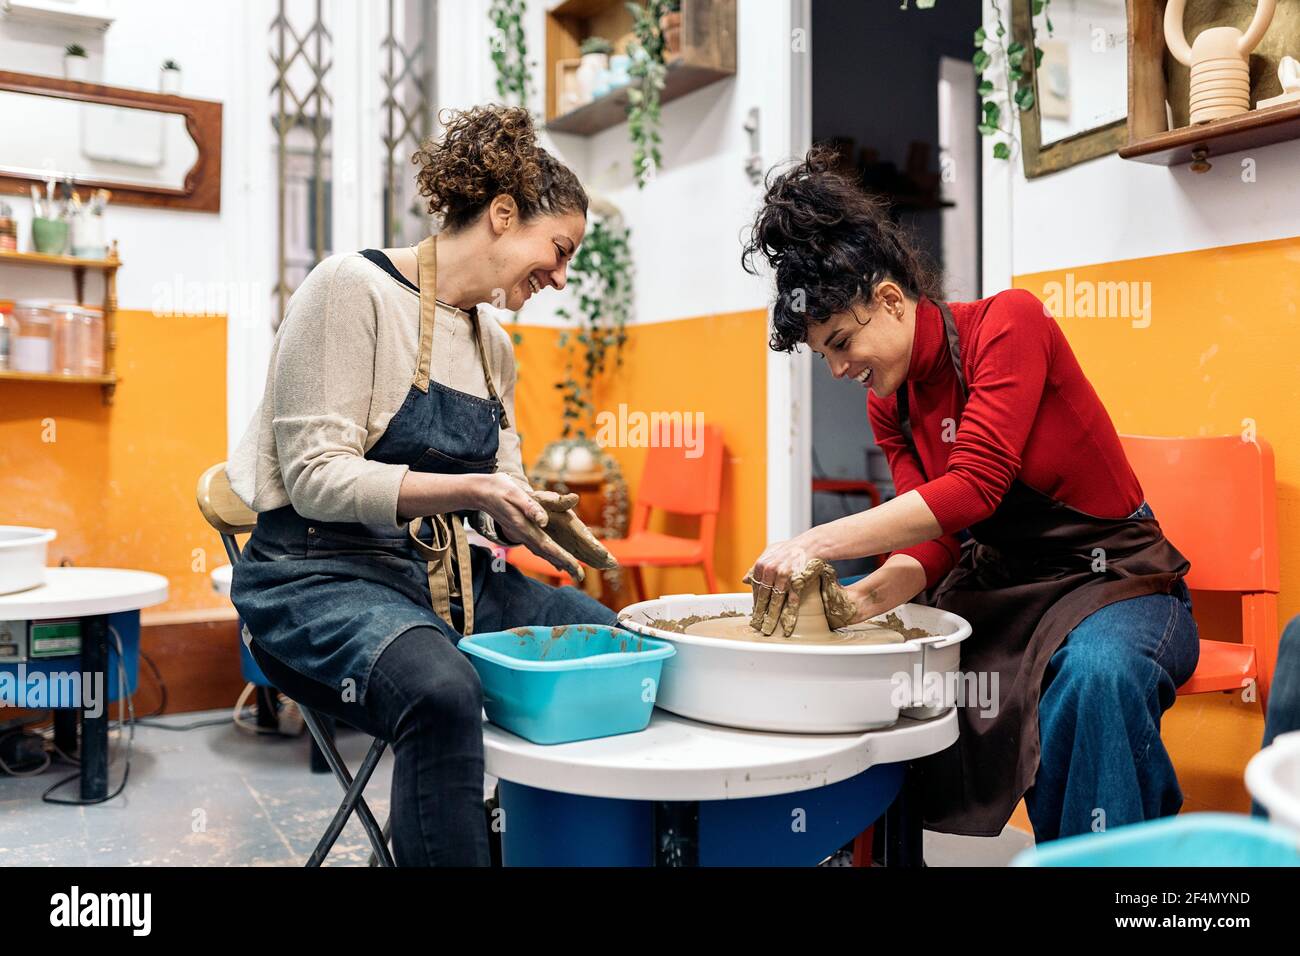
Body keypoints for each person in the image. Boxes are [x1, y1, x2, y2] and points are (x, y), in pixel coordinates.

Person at [741, 146, 1199, 842]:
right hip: (1003, 587)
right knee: (891, 675)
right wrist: (851, 607)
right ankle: (873, 854)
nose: (836, 369)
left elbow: (977, 486)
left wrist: (813, 544)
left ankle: (1116, 872)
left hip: (1119, 583)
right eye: (823, 354)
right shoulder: (889, 405)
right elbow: (933, 540)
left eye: (839, 342)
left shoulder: (1010, 325)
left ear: (890, 299)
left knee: (1096, 677)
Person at [227, 105, 617, 866]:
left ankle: (515, 842)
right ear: (503, 215)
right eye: (558, 250)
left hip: (439, 577)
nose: (561, 277)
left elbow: (500, 480)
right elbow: (314, 479)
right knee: (439, 692)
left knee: (602, 644)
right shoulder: (350, 289)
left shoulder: (491, 341)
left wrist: (534, 515)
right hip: (314, 577)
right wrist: (474, 494)